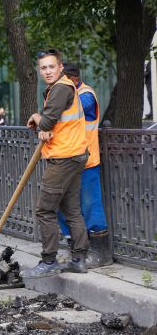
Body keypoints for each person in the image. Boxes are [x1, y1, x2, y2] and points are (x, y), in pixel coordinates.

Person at [21, 49, 89, 279]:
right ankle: (79, 259)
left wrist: (37, 118)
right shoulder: (63, 86)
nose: (48, 71)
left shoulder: (60, 88)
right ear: (39, 71)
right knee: (71, 209)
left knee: (44, 209)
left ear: (60, 67)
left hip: (63, 157)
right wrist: (45, 129)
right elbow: (53, 125)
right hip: (76, 153)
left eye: (51, 67)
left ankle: (49, 260)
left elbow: (48, 121)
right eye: (43, 68)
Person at [58, 63, 111, 268]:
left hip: (86, 161)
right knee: (63, 205)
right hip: (67, 160)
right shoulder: (65, 93)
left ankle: (100, 253)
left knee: (90, 205)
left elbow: (63, 113)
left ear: (71, 78)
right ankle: (76, 249)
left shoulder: (85, 95)